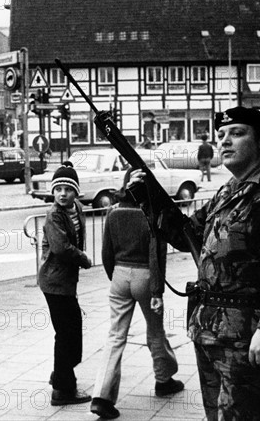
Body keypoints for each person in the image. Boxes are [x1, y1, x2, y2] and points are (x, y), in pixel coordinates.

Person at [128, 106, 260, 420]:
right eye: (221, 135)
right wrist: (147, 197)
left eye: (237, 133)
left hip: (247, 336)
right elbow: (188, 235)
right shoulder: (226, 192)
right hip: (209, 330)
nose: (225, 141)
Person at [91, 169, 184, 419]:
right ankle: (164, 380)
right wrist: (156, 291)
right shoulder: (152, 216)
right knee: (155, 330)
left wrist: (117, 276)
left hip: (120, 275)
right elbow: (157, 255)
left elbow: (106, 252)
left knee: (115, 335)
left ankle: (102, 396)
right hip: (146, 276)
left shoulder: (113, 212)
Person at [38, 164, 93, 406]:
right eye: (57, 189)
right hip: (54, 281)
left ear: (76, 192)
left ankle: (60, 375)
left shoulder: (77, 208)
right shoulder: (54, 216)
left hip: (66, 281)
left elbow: (78, 236)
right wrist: (83, 258)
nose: (62, 194)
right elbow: (60, 248)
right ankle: (62, 389)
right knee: (66, 334)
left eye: (67, 189)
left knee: (71, 331)